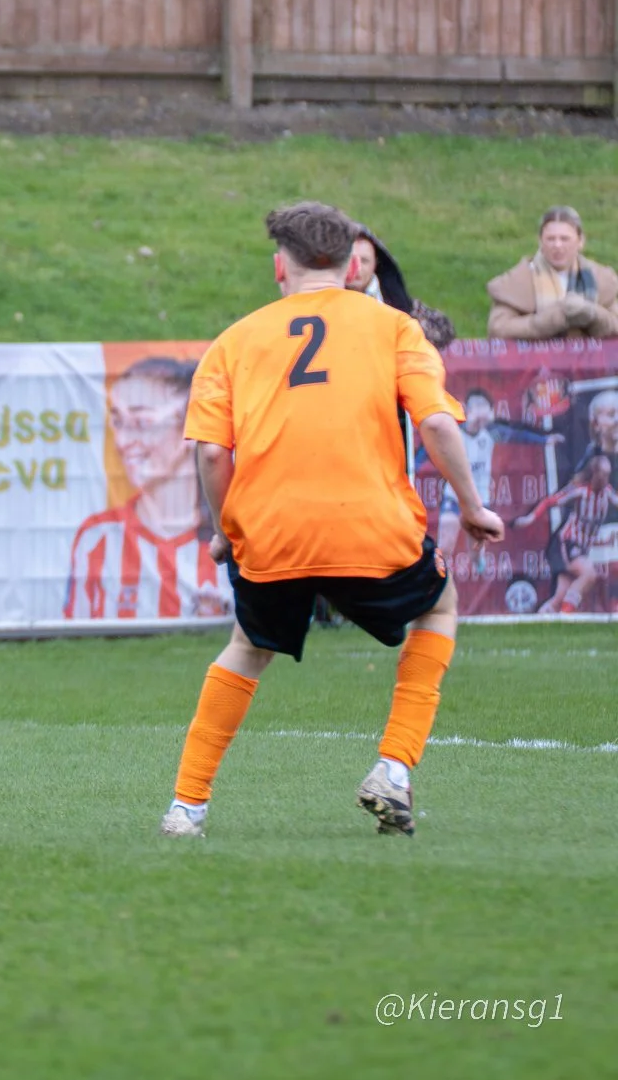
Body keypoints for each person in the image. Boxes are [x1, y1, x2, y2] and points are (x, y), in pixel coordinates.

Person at [159, 202, 504, 840]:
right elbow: (434, 423)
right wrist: (474, 504)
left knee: (246, 647)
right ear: (351, 267)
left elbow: (212, 453)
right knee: (439, 607)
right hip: (373, 527)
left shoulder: (234, 341)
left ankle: (187, 807)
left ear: (278, 267)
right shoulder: (397, 328)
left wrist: (224, 532)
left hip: (271, 531)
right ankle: (394, 769)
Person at [66, 356, 231, 623]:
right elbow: (74, 646)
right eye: (118, 422)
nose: (123, 441)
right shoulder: (97, 538)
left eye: (141, 423)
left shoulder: (232, 536)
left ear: (190, 429)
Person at [417, 388, 560, 571]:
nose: (479, 411)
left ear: (490, 411)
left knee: (475, 549)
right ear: (466, 409)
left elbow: (518, 434)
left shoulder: (493, 432)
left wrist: (545, 440)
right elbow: (426, 449)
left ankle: (478, 560)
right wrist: (411, 467)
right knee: (445, 545)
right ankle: (435, 582)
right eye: (475, 405)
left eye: (483, 406)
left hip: (479, 500)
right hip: (454, 496)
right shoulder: (452, 432)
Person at [486, 207, 618, 340]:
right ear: (540, 242)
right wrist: (555, 318)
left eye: (565, 239)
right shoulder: (519, 280)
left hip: (594, 360)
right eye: (550, 239)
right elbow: (499, 329)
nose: (557, 245)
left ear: (580, 241)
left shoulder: (601, 279)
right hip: (535, 360)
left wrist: (593, 314)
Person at [513, 453, 616, 614]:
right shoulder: (580, 491)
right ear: (594, 473)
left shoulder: (607, 492)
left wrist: (603, 542)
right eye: (603, 474)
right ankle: (566, 616)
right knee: (589, 574)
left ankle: (541, 621)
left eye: (608, 475)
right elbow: (549, 501)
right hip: (565, 543)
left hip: (579, 547)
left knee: (559, 598)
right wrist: (529, 518)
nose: (606, 478)